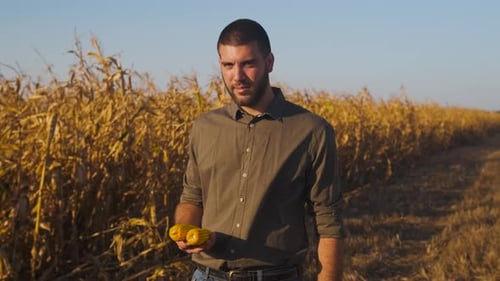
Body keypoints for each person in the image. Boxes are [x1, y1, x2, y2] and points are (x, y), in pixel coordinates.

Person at [174, 18, 345, 281]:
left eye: (248, 64)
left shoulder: (312, 132)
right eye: (228, 65)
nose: (237, 76)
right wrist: (185, 229)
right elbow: (192, 197)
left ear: (269, 62)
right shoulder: (204, 128)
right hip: (206, 276)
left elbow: (328, 222)